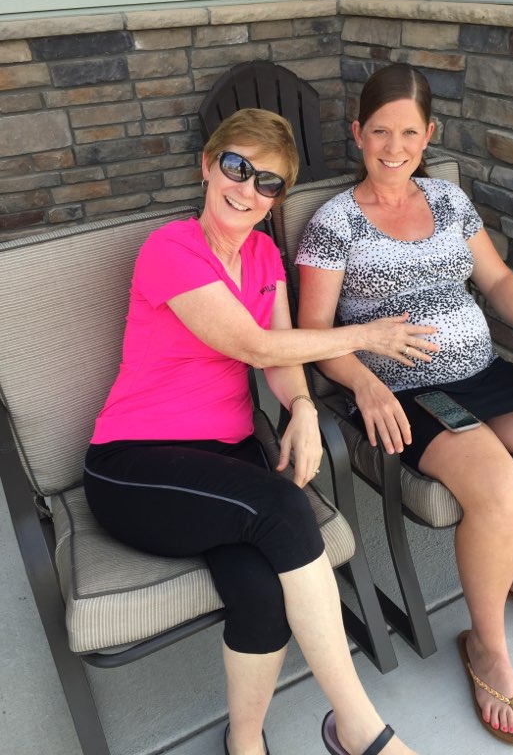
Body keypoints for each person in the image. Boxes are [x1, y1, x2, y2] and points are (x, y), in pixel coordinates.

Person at [83, 108, 422, 755]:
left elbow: (281, 361)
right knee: (284, 508)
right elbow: (254, 345)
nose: (247, 189)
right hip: (135, 464)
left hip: (227, 461)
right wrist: (366, 335)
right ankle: (360, 727)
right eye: (237, 167)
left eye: (268, 182)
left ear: (276, 199)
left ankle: (244, 742)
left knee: (261, 593)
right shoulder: (171, 249)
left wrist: (303, 409)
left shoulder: (265, 254)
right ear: (206, 166)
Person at [296, 64, 513, 746]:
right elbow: (314, 336)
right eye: (381, 132)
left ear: (429, 135)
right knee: (498, 488)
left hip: (482, 371)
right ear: (358, 133)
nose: (394, 147)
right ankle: (487, 645)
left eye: (409, 132)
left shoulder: (447, 199)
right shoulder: (333, 225)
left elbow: (494, 276)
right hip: (402, 390)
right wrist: (363, 383)